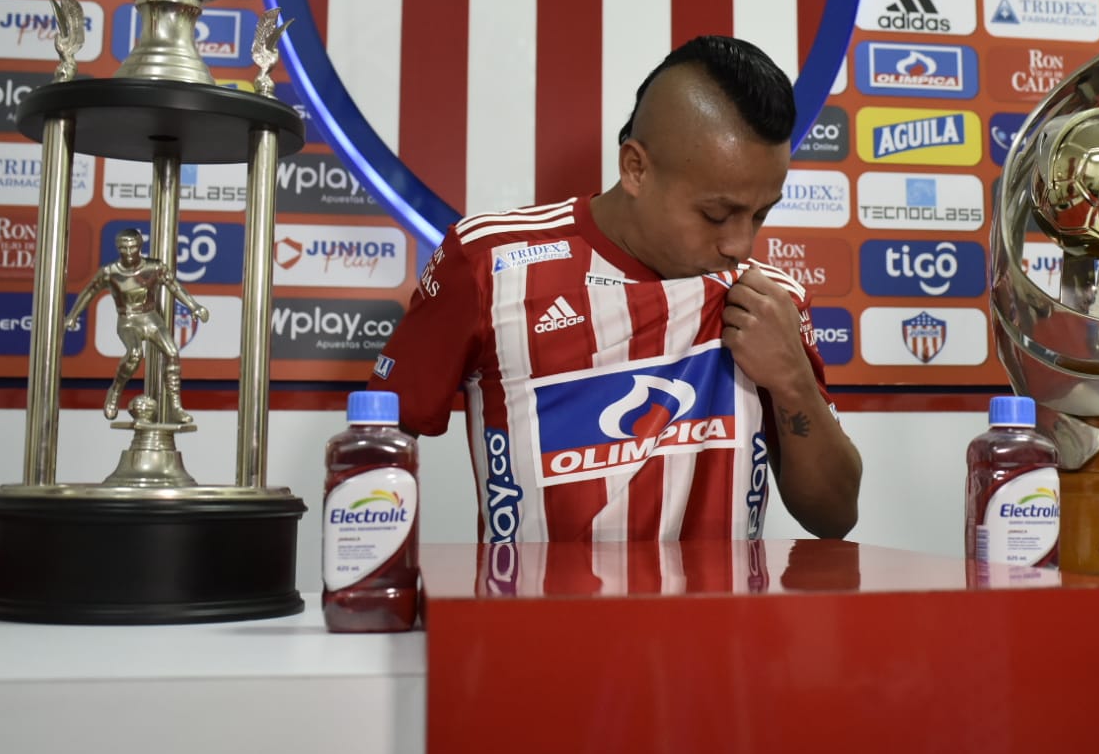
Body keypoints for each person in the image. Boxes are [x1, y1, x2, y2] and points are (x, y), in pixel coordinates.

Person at [369, 36, 862, 542]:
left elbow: (833, 516)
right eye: (717, 214)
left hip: (726, 621)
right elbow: (374, 444)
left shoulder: (768, 300)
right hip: (532, 620)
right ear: (636, 168)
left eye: (761, 213)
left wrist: (792, 380)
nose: (740, 243)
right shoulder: (489, 264)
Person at [65, 227, 210, 424]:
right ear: (118, 248)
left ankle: (175, 406)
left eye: (132, 247)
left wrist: (194, 306)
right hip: (128, 320)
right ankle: (115, 390)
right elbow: (89, 292)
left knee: (172, 353)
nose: (129, 251)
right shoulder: (110, 272)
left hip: (150, 317)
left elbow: (174, 286)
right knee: (134, 354)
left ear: (139, 246)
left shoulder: (154, 267)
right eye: (124, 248)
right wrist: (73, 315)